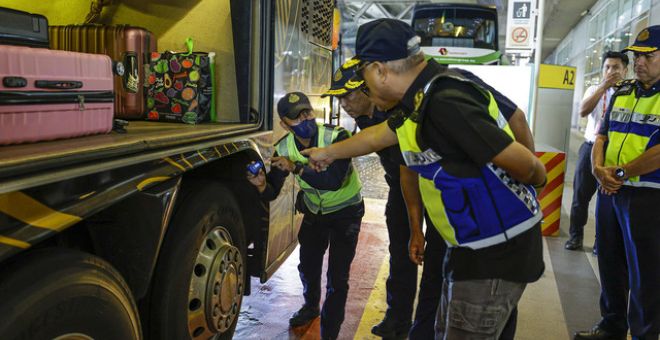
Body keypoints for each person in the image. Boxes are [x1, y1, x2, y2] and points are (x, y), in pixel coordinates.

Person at [302, 19, 546, 339]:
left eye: (363, 76)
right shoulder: (421, 96)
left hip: (494, 250)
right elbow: (380, 136)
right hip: (473, 243)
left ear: (379, 70)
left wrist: (535, 186)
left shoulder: (444, 103)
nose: (363, 89)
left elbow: (526, 165)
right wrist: (329, 152)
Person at [246, 92, 365, 340]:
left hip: (346, 214)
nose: (306, 119)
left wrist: (297, 167)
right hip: (315, 213)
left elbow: (333, 182)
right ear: (284, 124)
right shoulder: (284, 147)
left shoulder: (336, 138)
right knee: (308, 266)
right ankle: (311, 306)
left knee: (337, 277)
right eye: (297, 117)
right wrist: (260, 185)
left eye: (307, 112)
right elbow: (272, 191)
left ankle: (329, 332)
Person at [574, 25, 660, 340]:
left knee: (645, 271)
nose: (639, 62)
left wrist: (620, 174)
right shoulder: (623, 91)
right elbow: (602, 135)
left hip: (649, 196)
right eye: (636, 56)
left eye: (648, 56)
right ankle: (611, 326)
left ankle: (644, 334)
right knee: (609, 261)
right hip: (610, 191)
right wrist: (598, 169)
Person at [322, 60, 416, 338]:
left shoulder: (399, 112)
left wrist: (416, 223)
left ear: (367, 87)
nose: (344, 104)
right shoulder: (364, 117)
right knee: (400, 255)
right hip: (398, 189)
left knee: (434, 259)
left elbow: (409, 166)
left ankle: (427, 324)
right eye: (339, 98)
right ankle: (397, 319)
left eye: (348, 95)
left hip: (428, 190)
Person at [565, 51, 629, 252]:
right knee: (580, 197)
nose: (611, 71)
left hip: (613, 151)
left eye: (616, 67)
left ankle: (600, 241)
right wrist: (603, 87)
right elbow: (583, 111)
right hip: (591, 147)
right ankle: (575, 236)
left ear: (625, 70)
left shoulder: (628, 92)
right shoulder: (594, 88)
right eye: (607, 67)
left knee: (608, 196)